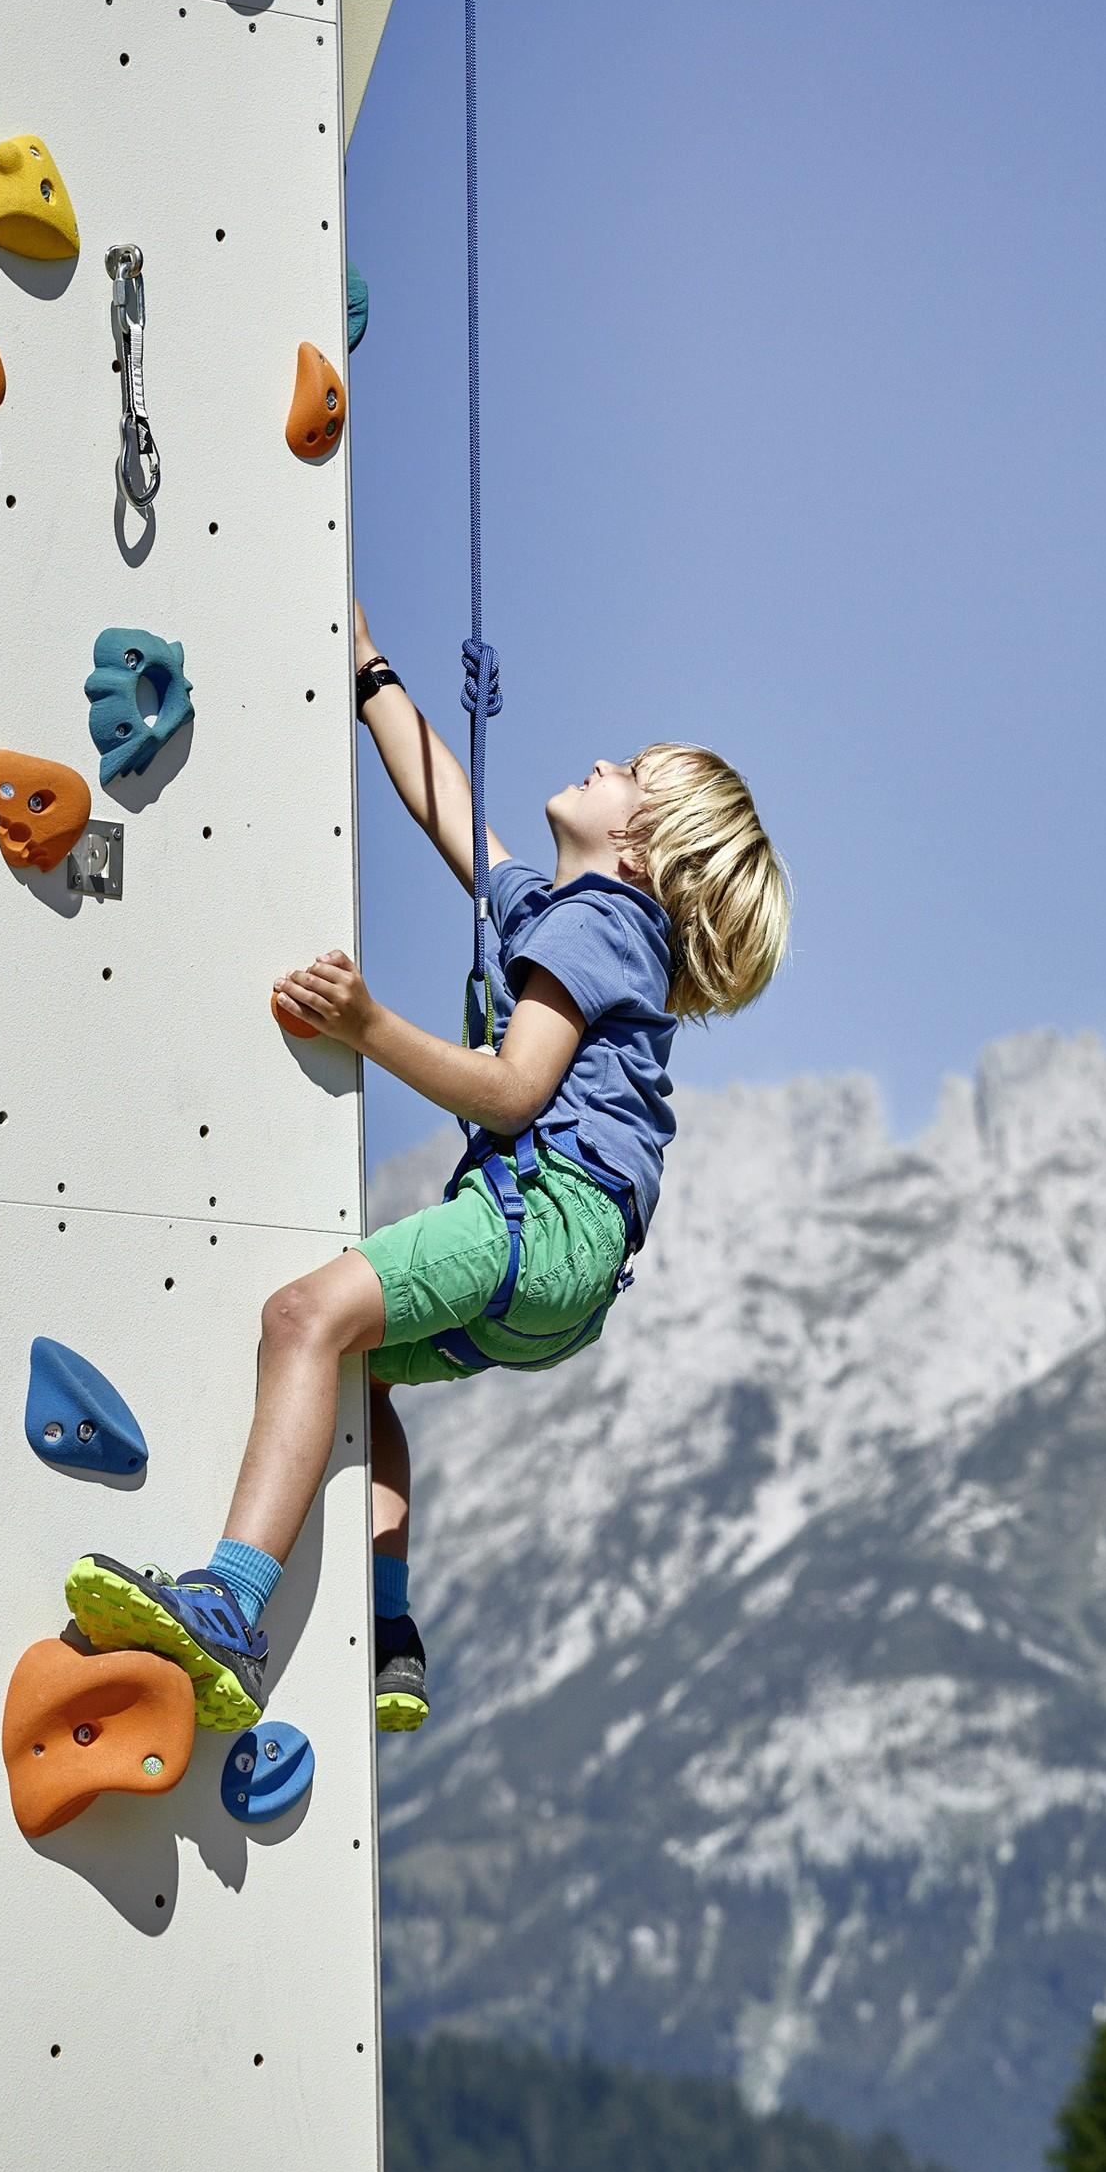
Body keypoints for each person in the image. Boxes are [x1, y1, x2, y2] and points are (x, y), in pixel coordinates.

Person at [69, 605, 789, 1735]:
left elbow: (513, 1090)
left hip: (546, 1219)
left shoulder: (601, 921)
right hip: (567, 1286)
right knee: (358, 1371)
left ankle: (226, 1600)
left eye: (630, 774)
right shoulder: (571, 914)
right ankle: (391, 1629)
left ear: (642, 853)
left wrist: (367, 1023)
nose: (603, 761)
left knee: (301, 1315)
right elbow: (446, 804)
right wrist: (368, 666)